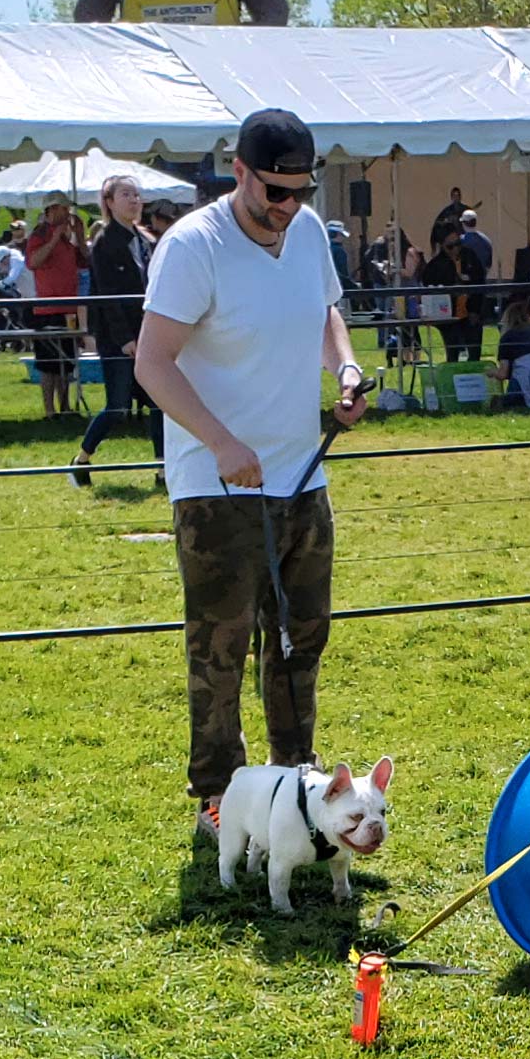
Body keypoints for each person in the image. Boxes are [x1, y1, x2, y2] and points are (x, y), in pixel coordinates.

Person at [132, 108, 368, 839]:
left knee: (302, 637)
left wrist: (347, 368)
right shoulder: (192, 246)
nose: (289, 206)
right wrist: (220, 441)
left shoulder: (305, 234)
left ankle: (298, 776)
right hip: (217, 487)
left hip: (302, 476)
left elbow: (328, 312)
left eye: (300, 190)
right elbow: (150, 362)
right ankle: (218, 794)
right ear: (238, 171)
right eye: (275, 190)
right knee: (222, 647)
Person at [70, 175, 164, 489]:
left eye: (137, 194)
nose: (135, 200)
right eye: (126, 194)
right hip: (119, 340)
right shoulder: (104, 243)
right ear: (109, 202)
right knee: (118, 406)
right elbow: (107, 297)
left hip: (148, 334)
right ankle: (81, 459)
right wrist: (125, 339)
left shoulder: (147, 240)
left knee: (159, 403)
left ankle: (163, 470)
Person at [27, 193, 89, 420]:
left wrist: (80, 238)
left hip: (69, 309)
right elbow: (34, 262)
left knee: (67, 362)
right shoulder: (39, 235)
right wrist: (54, 238)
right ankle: (49, 409)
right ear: (51, 211)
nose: (67, 215)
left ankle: (64, 406)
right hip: (46, 310)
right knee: (48, 364)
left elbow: (86, 262)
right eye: (63, 209)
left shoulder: (68, 242)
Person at [419, 226, 486, 362]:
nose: (456, 249)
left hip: (471, 311)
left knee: (474, 352)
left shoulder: (470, 256)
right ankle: (454, 378)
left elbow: (480, 283)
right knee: (453, 352)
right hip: (448, 315)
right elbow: (428, 285)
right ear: (441, 246)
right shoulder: (435, 265)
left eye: (458, 244)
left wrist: (475, 311)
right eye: (450, 246)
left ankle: (472, 378)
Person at [457, 208, 493, 277]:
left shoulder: (460, 241)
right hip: (482, 280)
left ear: (463, 223)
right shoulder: (486, 240)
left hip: (465, 283)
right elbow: (488, 265)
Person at [324, 220, 353, 289]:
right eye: (341, 234)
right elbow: (342, 273)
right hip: (338, 288)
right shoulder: (339, 251)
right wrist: (353, 286)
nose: (343, 238)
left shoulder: (322, 249)